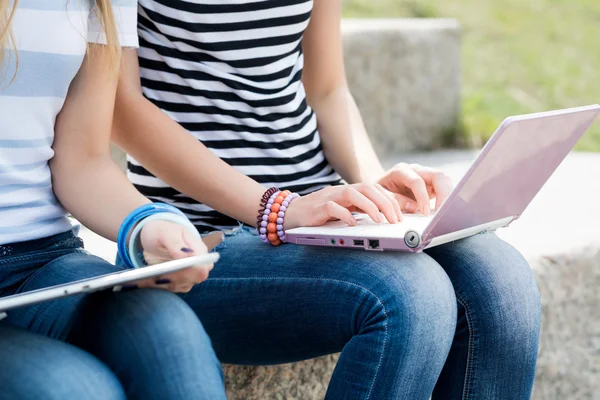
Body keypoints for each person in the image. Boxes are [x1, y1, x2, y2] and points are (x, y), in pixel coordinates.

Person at [113, 1, 542, 399]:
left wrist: (378, 190)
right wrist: (276, 208)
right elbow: (118, 109)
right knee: (410, 295)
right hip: (198, 238)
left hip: (320, 213)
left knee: (500, 282)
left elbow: (327, 88)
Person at [0, 1, 226, 398]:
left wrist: (150, 224)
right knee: (75, 390)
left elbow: (82, 162)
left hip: (40, 265)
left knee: (167, 333)